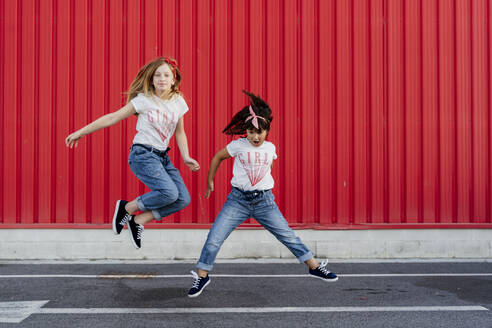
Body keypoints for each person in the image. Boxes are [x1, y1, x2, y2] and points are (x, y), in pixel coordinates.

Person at [187, 91, 337, 298]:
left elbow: (269, 167)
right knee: (214, 238)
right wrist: (210, 180)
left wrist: (262, 187)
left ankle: (314, 266)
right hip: (237, 201)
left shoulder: (270, 148)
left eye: (260, 132)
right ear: (245, 131)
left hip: (264, 201)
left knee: (288, 236)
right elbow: (217, 158)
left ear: (267, 131)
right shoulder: (237, 145)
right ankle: (202, 276)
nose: (255, 137)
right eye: (251, 132)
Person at [65, 57, 200, 249]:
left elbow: (180, 132)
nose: (161, 78)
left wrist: (186, 156)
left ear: (173, 80)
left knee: (182, 199)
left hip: (162, 157)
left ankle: (137, 221)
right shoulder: (143, 100)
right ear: (151, 80)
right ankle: (126, 208)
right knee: (169, 193)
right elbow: (113, 117)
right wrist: (81, 132)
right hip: (143, 154)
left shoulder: (178, 102)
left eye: (166, 75)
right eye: (157, 75)